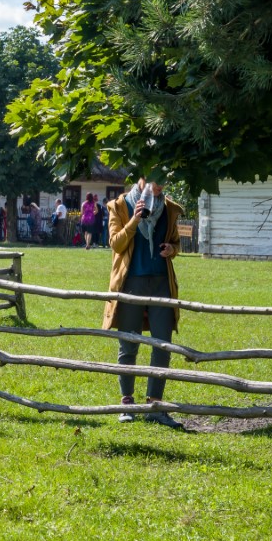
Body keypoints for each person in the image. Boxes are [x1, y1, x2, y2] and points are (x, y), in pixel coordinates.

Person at [104, 177, 185, 430]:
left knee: (163, 344)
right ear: (141, 179)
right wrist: (135, 219)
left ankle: (155, 405)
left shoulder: (170, 209)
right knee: (129, 344)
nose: (160, 186)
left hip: (161, 284)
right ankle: (127, 403)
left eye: (164, 182)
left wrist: (171, 250)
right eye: (155, 181)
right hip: (130, 284)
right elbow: (116, 244)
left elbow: (176, 243)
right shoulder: (119, 206)